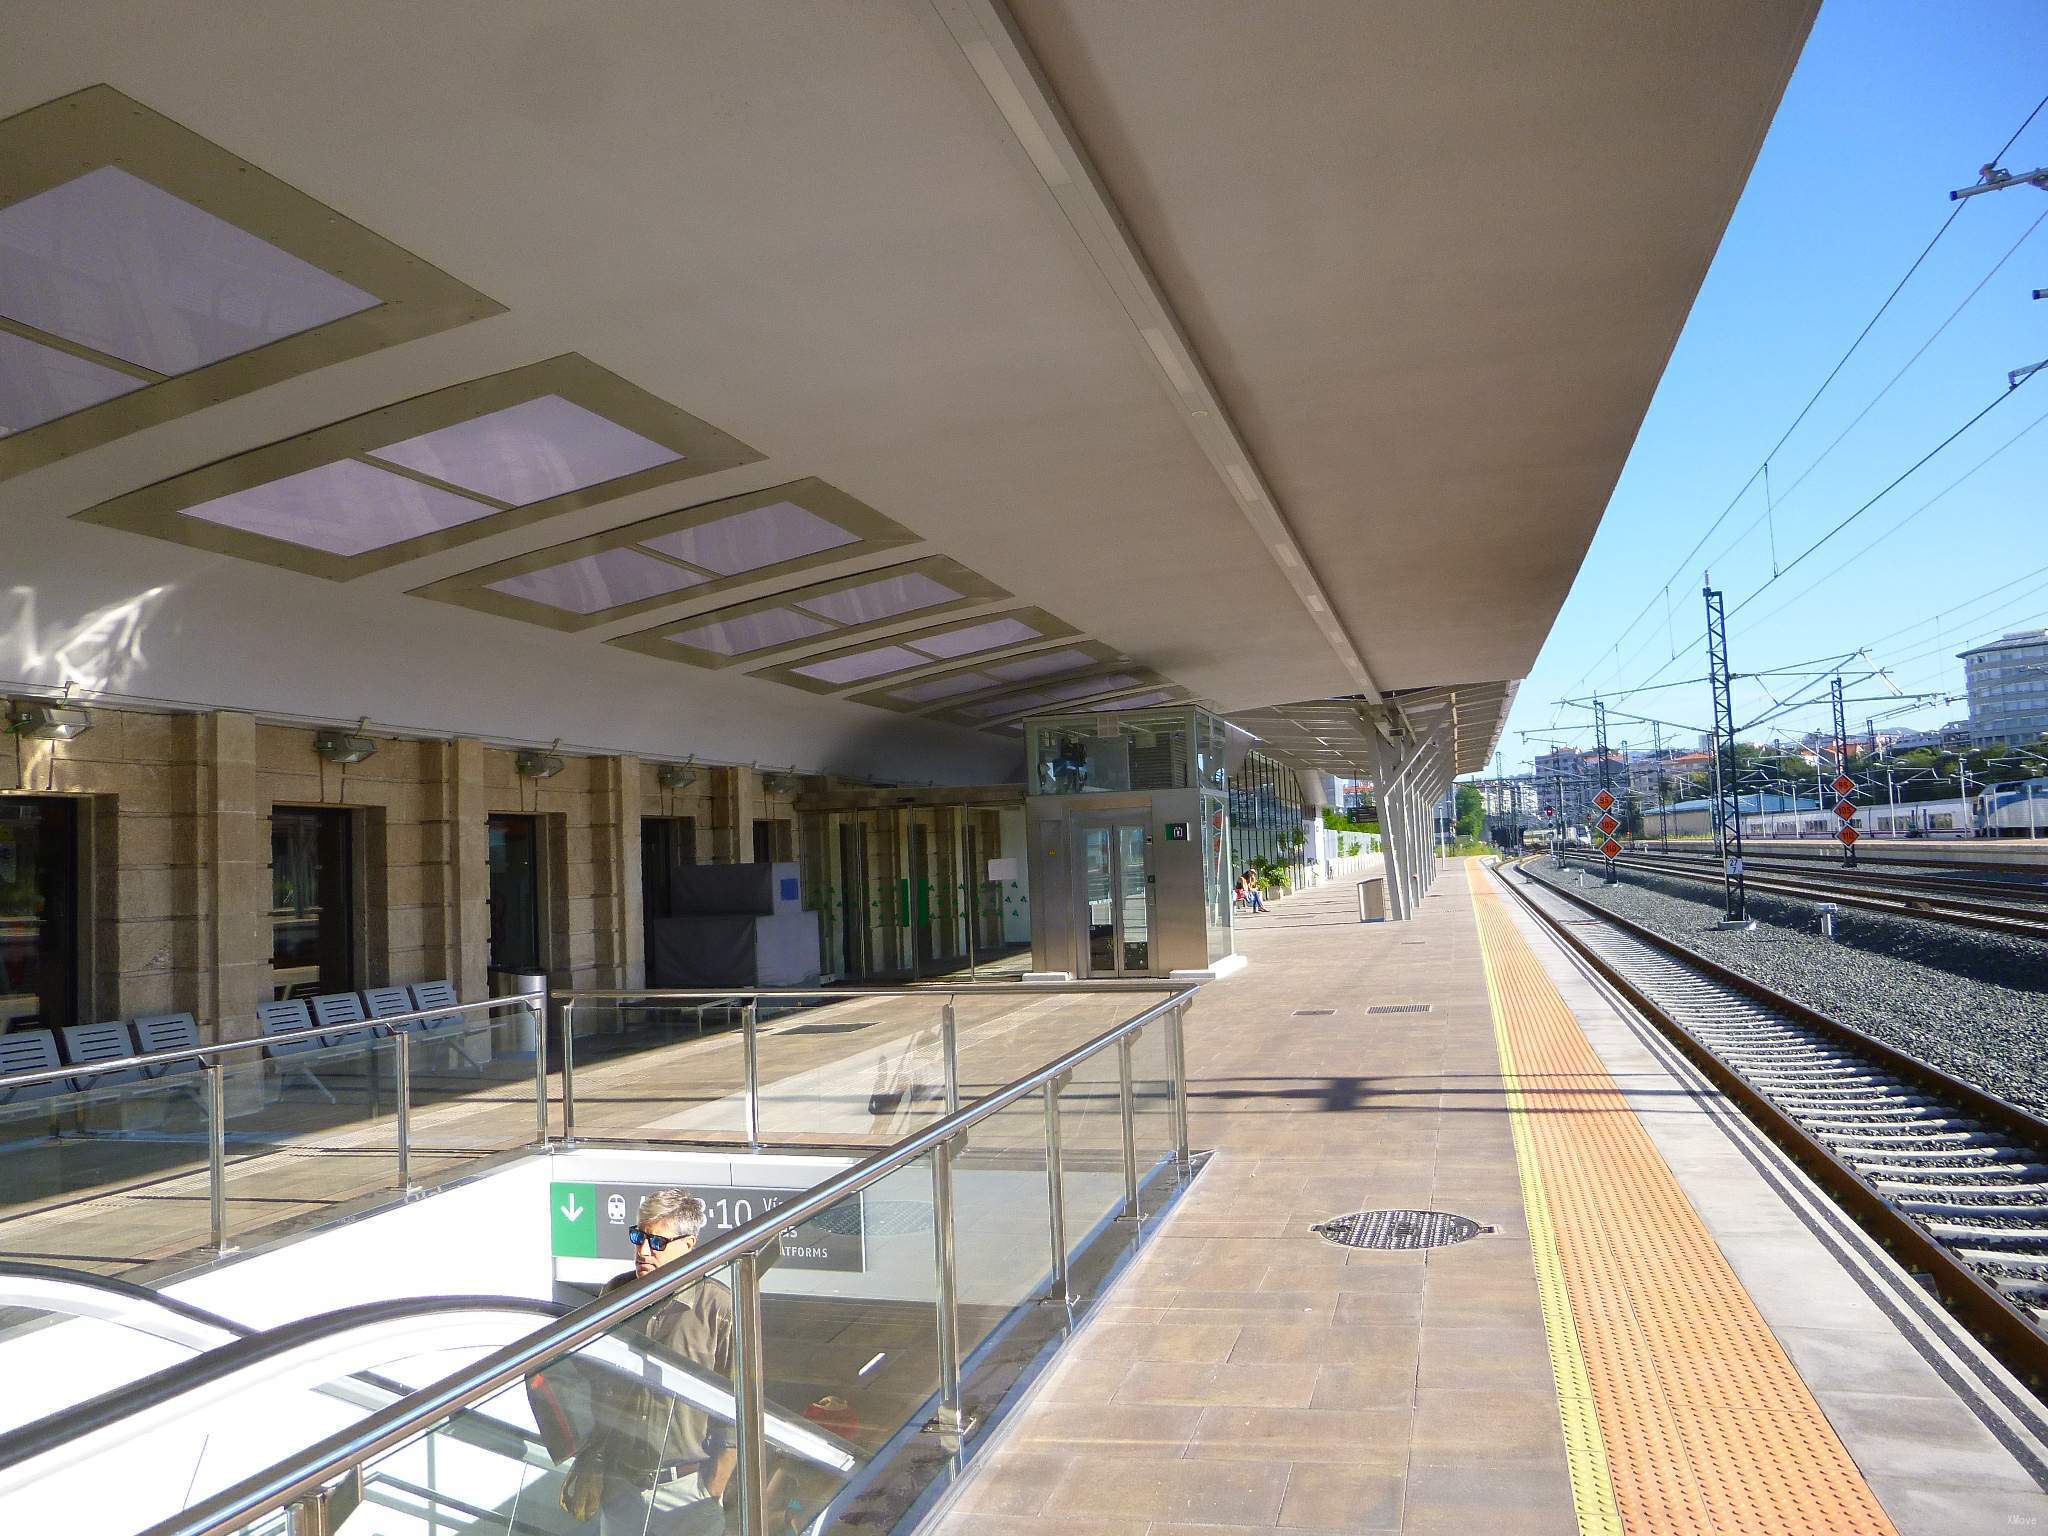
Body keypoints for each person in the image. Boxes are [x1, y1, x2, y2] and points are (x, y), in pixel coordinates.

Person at [564, 1189, 735, 1536]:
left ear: (688, 1246)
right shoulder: (616, 1293)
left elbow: (738, 1405)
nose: (643, 1251)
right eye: (638, 1237)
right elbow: (594, 1383)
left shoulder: (718, 1307)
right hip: (621, 1485)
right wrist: (591, 1459)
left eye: (656, 1242)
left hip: (688, 1491)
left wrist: (713, 1486)